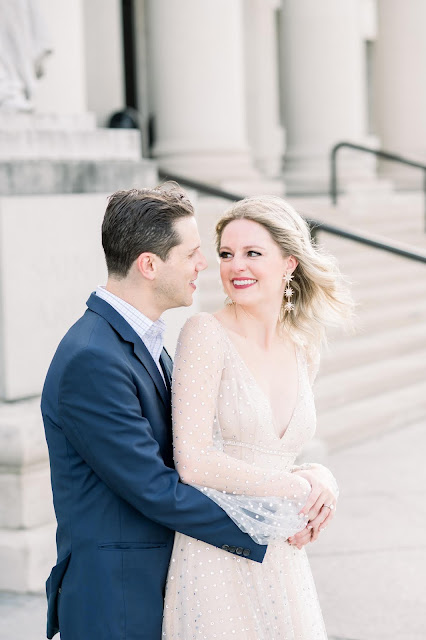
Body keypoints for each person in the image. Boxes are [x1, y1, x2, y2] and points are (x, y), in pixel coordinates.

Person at [41, 183, 270, 640]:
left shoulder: (145, 343)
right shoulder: (93, 358)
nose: (203, 265)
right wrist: (262, 529)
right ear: (149, 265)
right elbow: (152, 486)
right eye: (191, 254)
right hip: (117, 601)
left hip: (155, 587)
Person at [162, 195, 353, 639]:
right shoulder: (205, 333)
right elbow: (192, 461)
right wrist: (298, 487)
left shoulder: (303, 345)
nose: (235, 266)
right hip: (217, 552)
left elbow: (279, 454)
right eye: (227, 254)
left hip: (282, 554)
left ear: (289, 263)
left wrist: (321, 476)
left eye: (252, 253)